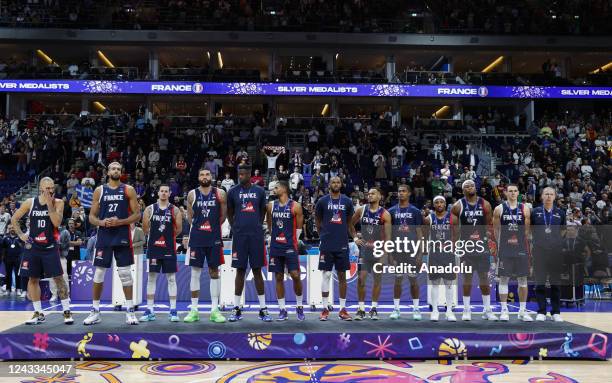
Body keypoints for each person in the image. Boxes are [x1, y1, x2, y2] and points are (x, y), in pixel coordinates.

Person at [83, 162, 141, 326]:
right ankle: (95, 311)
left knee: (125, 274)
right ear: (108, 172)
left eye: (118, 169)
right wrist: (102, 222)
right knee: (99, 273)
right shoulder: (99, 190)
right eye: (113, 168)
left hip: (122, 234)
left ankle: (130, 311)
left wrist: (120, 221)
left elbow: (137, 215)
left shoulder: (128, 189)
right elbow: (92, 217)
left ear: (121, 172)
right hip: (104, 235)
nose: (116, 170)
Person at [11, 177, 73, 325]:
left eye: (52, 187)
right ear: (41, 188)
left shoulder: (58, 202)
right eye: (47, 188)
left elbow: (57, 222)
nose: (51, 190)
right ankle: (38, 313)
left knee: (59, 279)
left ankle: (66, 311)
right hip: (33, 248)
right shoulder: (30, 203)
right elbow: (14, 219)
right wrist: (21, 235)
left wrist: (49, 203)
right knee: (33, 280)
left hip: (50, 247)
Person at [227, 164, 270, 322]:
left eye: (244, 174)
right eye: (239, 174)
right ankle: (237, 308)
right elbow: (230, 213)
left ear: (250, 175)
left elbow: (263, 210)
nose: (241, 176)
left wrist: (256, 225)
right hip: (239, 236)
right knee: (240, 270)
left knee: (257, 271)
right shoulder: (232, 191)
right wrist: (236, 227)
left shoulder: (259, 191)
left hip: (256, 236)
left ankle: (263, 309)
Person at [183, 169, 227, 324]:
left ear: (212, 177)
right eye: (202, 175)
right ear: (198, 177)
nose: (205, 177)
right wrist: (198, 229)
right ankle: (194, 310)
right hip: (197, 238)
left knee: (214, 272)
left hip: (213, 237)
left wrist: (212, 228)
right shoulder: (191, 194)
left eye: (207, 174)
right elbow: (190, 217)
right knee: (195, 273)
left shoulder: (220, 193)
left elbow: (223, 216)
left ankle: (214, 310)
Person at [451, 180, 498, 321]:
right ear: (462, 190)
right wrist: (454, 246)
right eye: (466, 186)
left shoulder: (486, 204)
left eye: (472, 185)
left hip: (482, 246)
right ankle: (466, 310)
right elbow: (454, 230)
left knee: (484, 277)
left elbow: (489, 227)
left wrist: (492, 244)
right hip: (466, 247)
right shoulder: (457, 206)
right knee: (467, 279)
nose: (470, 187)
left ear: (475, 187)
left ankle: (487, 310)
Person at [140, 184, 182, 322]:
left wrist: (167, 238)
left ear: (169, 193)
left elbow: (178, 230)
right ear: (158, 193)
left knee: (171, 279)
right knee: (151, 278)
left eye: (166, 191)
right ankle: (150, 310)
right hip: (154, 248)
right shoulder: (149, 209)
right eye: (161, 191)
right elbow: (145, 229)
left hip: (169, 248)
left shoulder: (175, 210)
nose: (164, 193)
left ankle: (173, 310)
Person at [316, 176, 356, 321]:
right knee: (326, 275)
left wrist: (355, 237)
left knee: (341, 276)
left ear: (341, 184)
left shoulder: (347, 201)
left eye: (338, 182)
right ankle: (325, 309)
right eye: (333, 182)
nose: (336, 184)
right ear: (329, 185)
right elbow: (318, 221)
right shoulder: (322, 201)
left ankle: (342, 310)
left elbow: (350, 223)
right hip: (327, 243)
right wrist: (323, 236)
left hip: (342, 243)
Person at [265, 181, 305, 321]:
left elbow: (299, 228)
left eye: (276, 187)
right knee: (278, 277)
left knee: (295, 275)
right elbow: (269, 224)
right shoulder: (271, 206)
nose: (273, 189)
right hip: (276, 246)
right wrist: (273, 237)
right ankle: (282, 309)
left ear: (284, 189)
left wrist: (291, 241)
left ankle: (299, 306)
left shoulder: (296, 206)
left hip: (290, 246)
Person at [493, 184, 533, 321]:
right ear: (506, 193)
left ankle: (522, 311)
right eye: (510, 191)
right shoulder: (499, 209)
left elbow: (527, 231)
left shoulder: (525, 209)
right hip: (505, 249)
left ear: (518, 193)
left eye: (515, 191)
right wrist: (500, 246)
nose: (513, 193)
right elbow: (496, 230)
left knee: (523, 279)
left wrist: (523, 244)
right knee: (504, 279)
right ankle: (504, 310)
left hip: (521, 248)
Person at [352, 187, 391, 321]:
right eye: (368, 194)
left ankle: (373, 308)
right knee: (361, 279)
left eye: (373, 193)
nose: (370, 195)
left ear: (380, 196)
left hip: (378, 251)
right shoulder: (361, 210)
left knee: (377, 280)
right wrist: (355, 238)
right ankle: (361, 308)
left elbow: (388, 237)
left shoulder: (385, 214)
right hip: (364, 250)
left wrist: (384, 255)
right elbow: (350, 224)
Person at [388, 184, 424, 320]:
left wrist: (420, 254)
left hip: (412, 251)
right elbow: (388, 234)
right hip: (397, 251)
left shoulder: (415, 211)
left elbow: (420, 234)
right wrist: (390, 254)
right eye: (399, 191)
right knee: (397, 280)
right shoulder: (391, 211)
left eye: (403, 191)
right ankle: (396, 309)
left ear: (409, 193)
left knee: (413, 280)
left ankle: (416, 309)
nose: (401, 193)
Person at [531, 187, 566, 322]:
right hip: (539, 251)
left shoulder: (560, 213)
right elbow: (530, 230)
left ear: (555, 197)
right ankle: (541, 311)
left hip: (555, 252)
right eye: (546, 194)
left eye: (551, 194)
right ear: (542, 196)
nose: (549, 196)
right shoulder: (535, 212)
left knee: (555, 282)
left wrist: (555, 241)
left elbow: (563, 231)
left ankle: (556, 311)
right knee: (539, 282)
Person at [424, 196, 457, 321]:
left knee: (449, 283)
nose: (439, 204)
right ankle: (435, 311)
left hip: (448, 254)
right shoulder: (429, 219)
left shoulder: (452, 218)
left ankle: (449, 311)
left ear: (445, 204)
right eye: (436, 202)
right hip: (434, 254)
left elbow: (456, 234)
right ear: (433, 205)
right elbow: (425, 236)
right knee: (435, 283)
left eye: (441, 202)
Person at [2, 225, 24, 297]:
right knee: (8, 275)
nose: (12, 229)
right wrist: (4, 258)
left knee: (18, 274)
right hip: (8, 259)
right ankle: (8, 289)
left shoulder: (20, 237)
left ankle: (18, 289)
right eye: (10, 228)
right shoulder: (5, 238)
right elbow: (3, 249)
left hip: (17, 258)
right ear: (8, 229)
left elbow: (23, 246)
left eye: (13, 228)